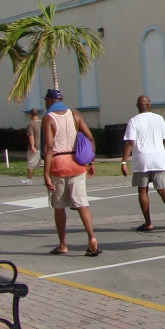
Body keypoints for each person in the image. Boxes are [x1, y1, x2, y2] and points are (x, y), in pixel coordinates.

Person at [41, 89, 101, 257]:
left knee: (59, 206)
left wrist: (46, 174)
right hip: (77, 163)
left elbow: (49, 147)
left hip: (58, 164)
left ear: (51, 101)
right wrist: (91, 160)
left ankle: (62, 244)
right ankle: (91, 237)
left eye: (46, 100)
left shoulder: (48, 118)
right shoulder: (75, 114)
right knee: (82, 203)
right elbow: (89, 137)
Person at [121, 95, 165, 232]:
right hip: (158, 159)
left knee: (143, 190)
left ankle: (148, 222)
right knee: (163, 188)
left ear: (137, 106)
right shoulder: (159, 119)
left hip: (141, 160)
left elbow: (130, 142)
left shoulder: (133, 121)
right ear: (149, 105)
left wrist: (124, 161)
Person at [20, 109, 42, 185]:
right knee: (44, 164)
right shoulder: (42, 122)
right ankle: (49, 179)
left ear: (30, 115)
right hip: (43, 146)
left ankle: (29, 179)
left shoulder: (30, 124)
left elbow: (31, 135)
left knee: (31, 164)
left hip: (35, 146)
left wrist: (32, 146)